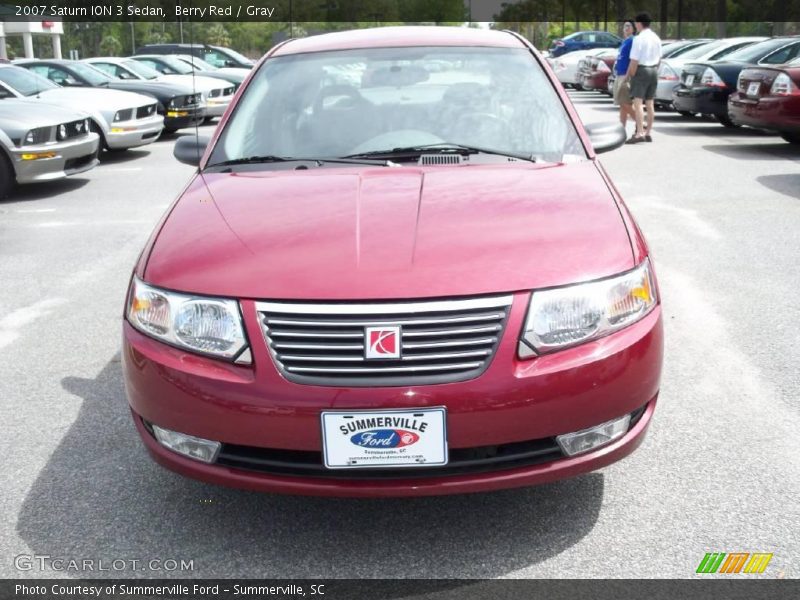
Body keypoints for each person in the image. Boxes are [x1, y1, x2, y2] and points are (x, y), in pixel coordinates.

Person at [625, 13, 662, 144]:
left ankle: (639, 132)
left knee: (638, 103)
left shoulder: (639, 39)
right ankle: (648, 132)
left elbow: (634, 60)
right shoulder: (656, 38)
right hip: (653, 70)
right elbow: (659, 60)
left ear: (639, 23)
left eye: (635, 23)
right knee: (650, 103)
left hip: (641, 70)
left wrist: (631, 75)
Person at [613, 20, 636, 131]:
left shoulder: (633, 41)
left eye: (629, 26)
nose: (626, 28)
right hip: (619, 74)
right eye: (625, 26)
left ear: (633, 29)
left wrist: (628, 75)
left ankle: (641, 123)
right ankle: (621, 129)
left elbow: (633, 60)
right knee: (622, 104)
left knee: (624, 102)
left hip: (625, 76)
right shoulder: (624, 41)